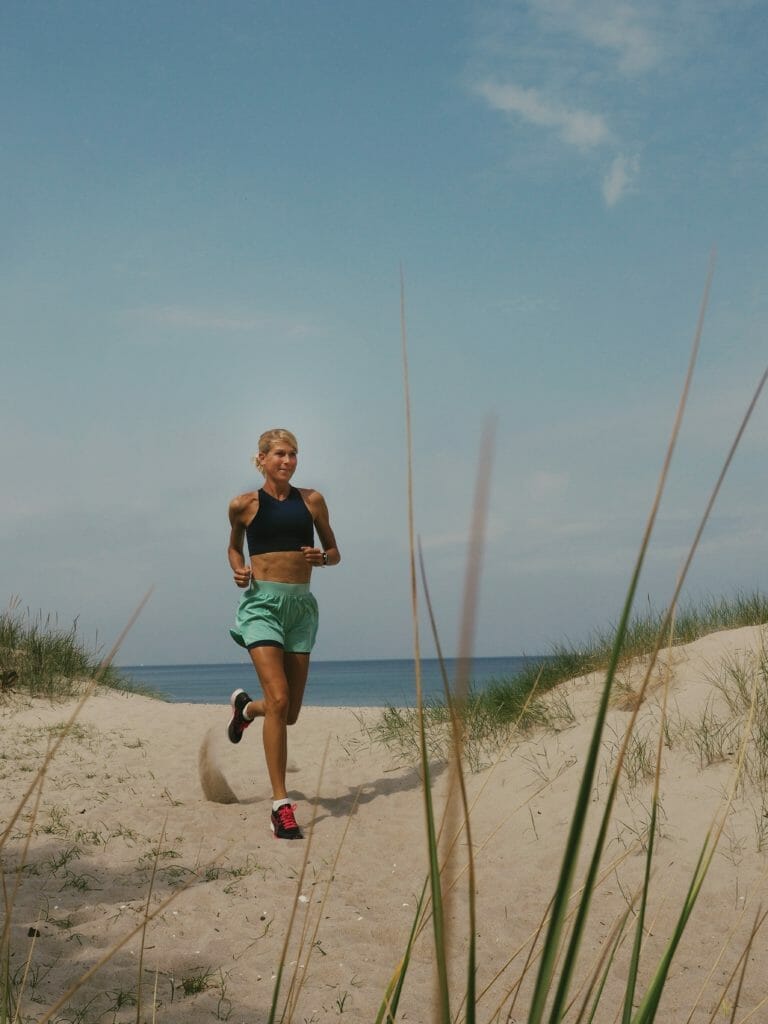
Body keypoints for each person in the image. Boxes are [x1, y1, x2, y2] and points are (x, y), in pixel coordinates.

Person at [226, 428, 340, 840]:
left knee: (286, 712)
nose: (287, 461)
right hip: (262, 607)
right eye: (279, 454)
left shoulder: (311, 501)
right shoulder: (243, 505)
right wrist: (238, 570)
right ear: (261, 459)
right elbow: (234, 548)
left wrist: (321, 558)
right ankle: (280, 805)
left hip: (300, 609)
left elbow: (334, 551)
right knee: (279, 697)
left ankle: (245, 711)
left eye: (293, 454)